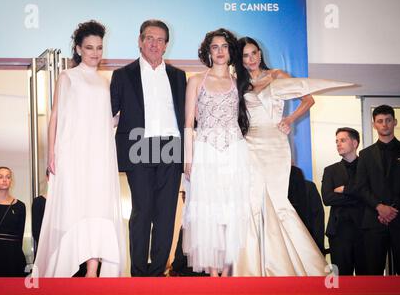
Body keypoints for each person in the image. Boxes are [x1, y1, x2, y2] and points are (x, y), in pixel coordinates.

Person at [233, 37, 351, 276]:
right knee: (254, 201)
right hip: (249, 144)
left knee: (278, 202)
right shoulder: (238, 82)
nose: (251, 59)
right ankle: (255, 267)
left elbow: (309, 99)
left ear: (259, 53)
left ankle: (299, 266)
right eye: (245, 56)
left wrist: (290, 119)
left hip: (276, 144)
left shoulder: (277, 75)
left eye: (254, 53)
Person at [34, 20, 126, 278]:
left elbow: (103, 119)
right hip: (74, 151)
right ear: (78, 48)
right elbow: (55, 116)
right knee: (74, 205)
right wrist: (51, 153)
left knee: (98, 206)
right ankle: (65, 267)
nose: (95, 53)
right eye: (89, 47)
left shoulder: (105, 82)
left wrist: (117, 119)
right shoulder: (67, 77)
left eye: (99, 47)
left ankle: (93, 270)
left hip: (99, 154)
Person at [110, 19, 186, 277]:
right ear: (140, 41)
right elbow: (108, 113)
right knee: (142, 212)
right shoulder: (122, 75)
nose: (155, 44)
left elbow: (187, 116)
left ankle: (157, 275)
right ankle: (139, 275)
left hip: (171, 147)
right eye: (150, 38)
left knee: (166, 215)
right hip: (139, 146)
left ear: (166, 45)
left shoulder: (178, 76)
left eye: (160, 40)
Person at [183, 28, 250, 277]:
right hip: (206, 151)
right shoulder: (196, 80)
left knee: (231, 212)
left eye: (224, 46)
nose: (220, 51)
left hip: (234, 151)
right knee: (208, 212)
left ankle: (226, 272)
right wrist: (188, 159)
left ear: (231, 51)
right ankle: (212, 275)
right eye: (215, 47)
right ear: (208, 51)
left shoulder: (238, 83)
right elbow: (189, 123)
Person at [356, 105, 400, 275]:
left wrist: (392, 209)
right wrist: (380, 207)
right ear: (374, 125)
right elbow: (361, 187)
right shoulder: (364, 154)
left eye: (388, 120)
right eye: (380, 121)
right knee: (373, 273)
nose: (384, 124)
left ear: (395, 122)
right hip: (374, 221)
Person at [322, 127, 366, 275]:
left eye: (342, 140)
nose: (338, 144)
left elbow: (372, 195)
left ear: (354, 143)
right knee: (341, 279)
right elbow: (327, 198)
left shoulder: (367, 168)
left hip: (365, 230)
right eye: (336, 141)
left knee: (366, 281)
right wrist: (358, 196)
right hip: (339, 232)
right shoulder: (330, 170)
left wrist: (345, 190)